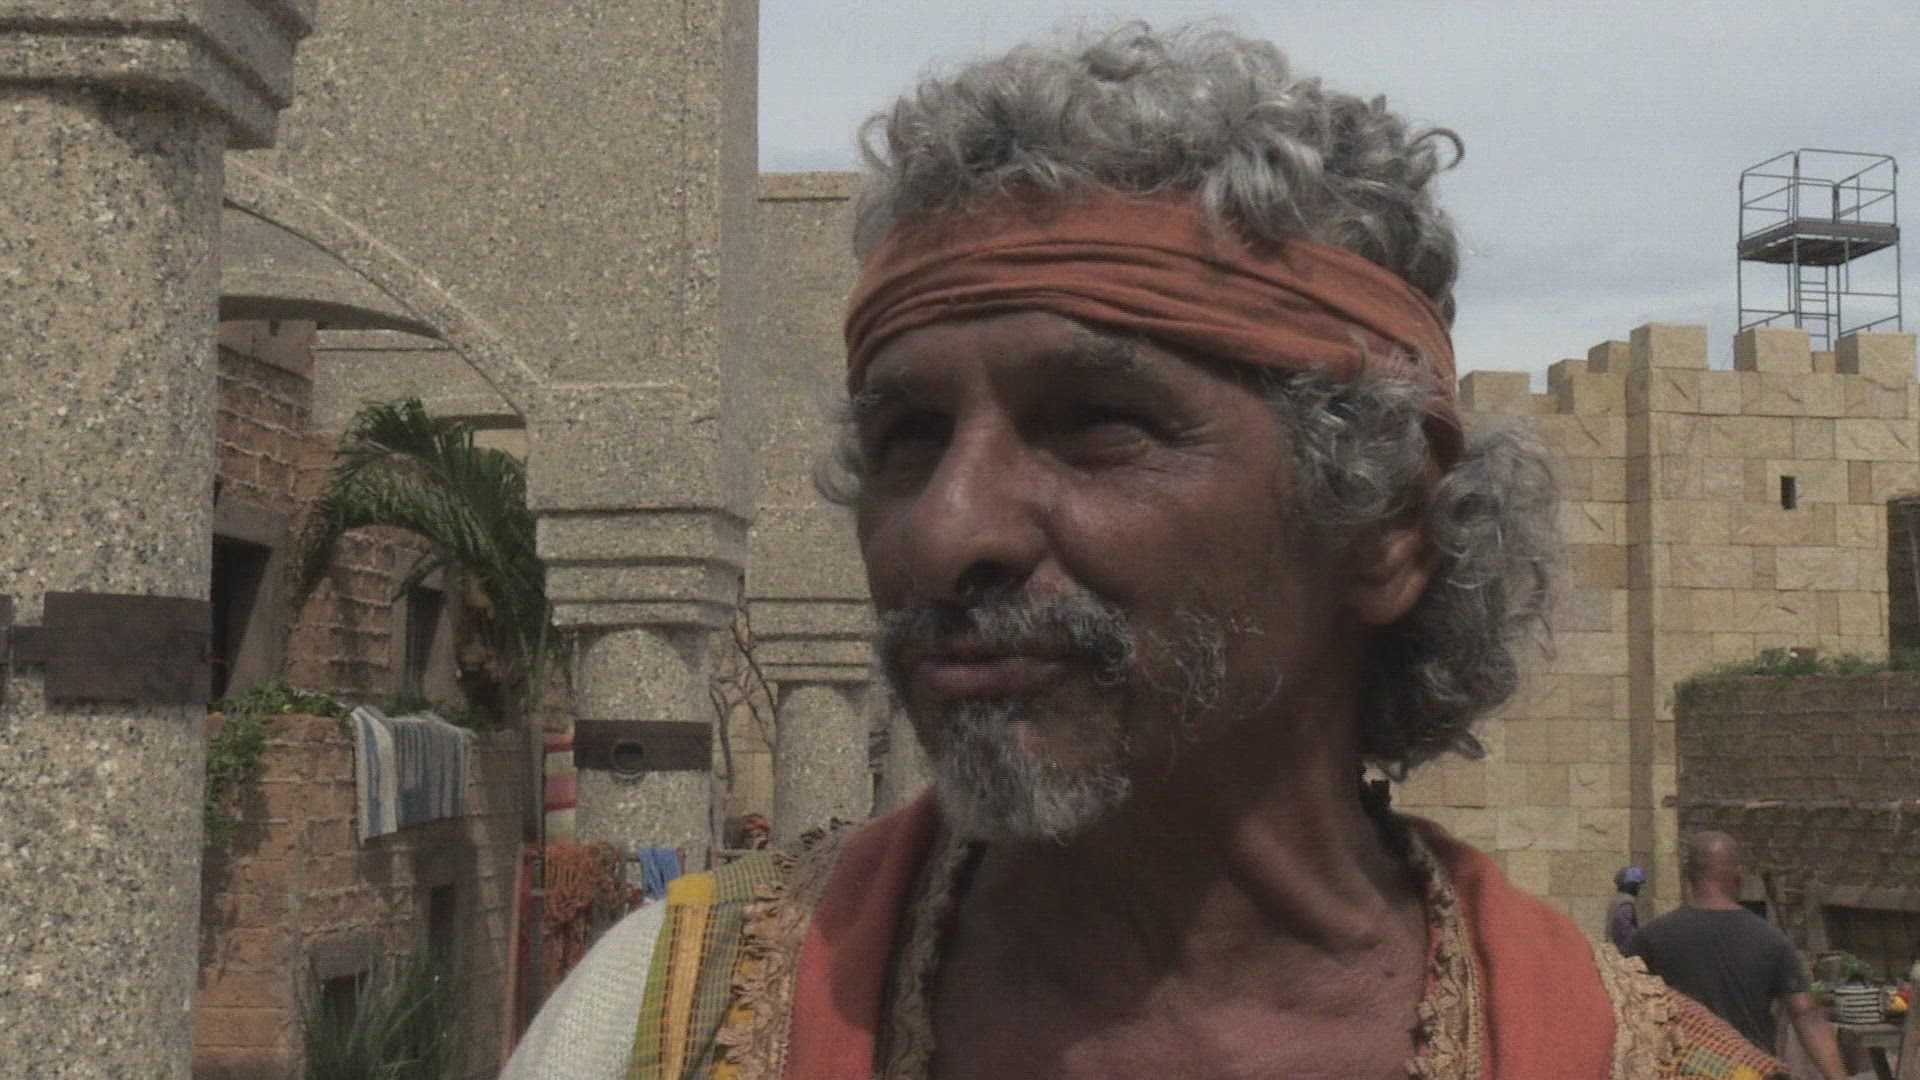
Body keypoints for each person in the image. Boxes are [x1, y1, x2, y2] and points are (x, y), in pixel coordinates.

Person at [504, 21, 1789, 1079]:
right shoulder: (661, 1024)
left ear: (1389, 525)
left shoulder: (1625, 1059)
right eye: (907, 438)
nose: (948, 531)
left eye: (1097, 425)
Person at [1628, 832, 1848, 1079]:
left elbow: (1624, 1006)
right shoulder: (1770, 939)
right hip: (1750, 1071)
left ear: (1687, 873)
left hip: (1682, 1070)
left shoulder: (1651, 937)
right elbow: (1805, 1013)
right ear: (1738, 875)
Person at [1609, 864, 1646, 953]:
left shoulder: (1618, 900)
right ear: (1631, 885)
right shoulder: (1626, 903)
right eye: (1637, 885)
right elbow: (1623, 932)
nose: (1639, 888)